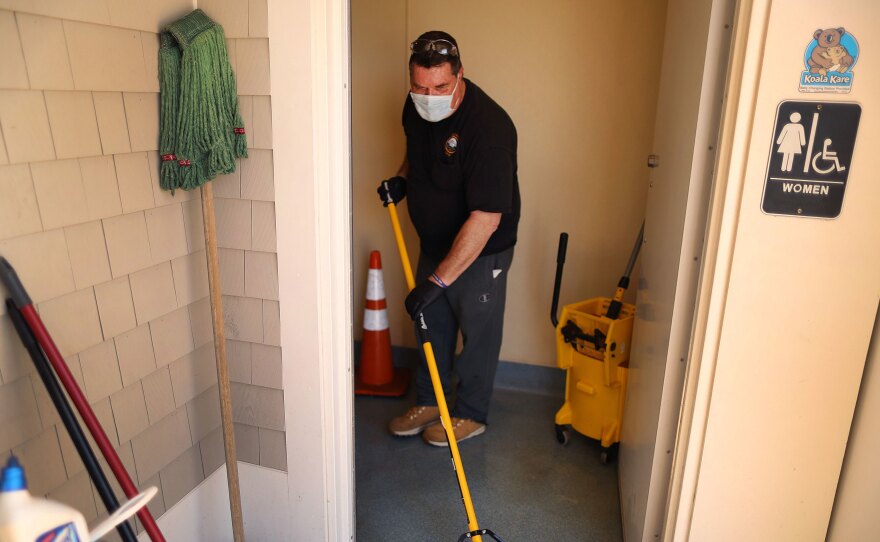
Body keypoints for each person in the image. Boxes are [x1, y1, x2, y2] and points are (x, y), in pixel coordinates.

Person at [376, 31, 520, 446]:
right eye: (420, 87)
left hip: (481, 251)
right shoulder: (414, 106)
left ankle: (470, 414)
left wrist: (438, 282)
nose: (429, 96)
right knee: (430, 325)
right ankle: (430, 402)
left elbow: (487, 218)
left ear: (460, 76)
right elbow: (417, 153)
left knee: (477, 334)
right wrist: (401, 180)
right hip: (435, 243)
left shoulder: (489, 129)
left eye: (440, 87)